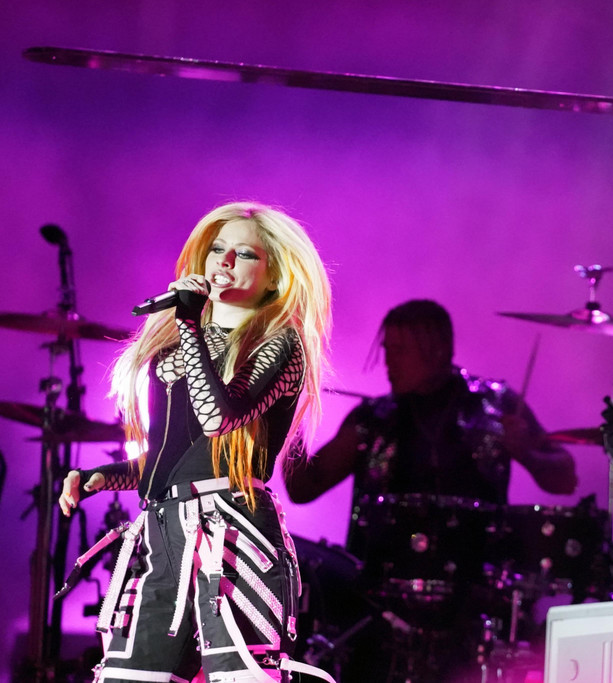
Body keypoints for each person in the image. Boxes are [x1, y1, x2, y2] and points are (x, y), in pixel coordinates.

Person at [58, 202, 335, 682]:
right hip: (163, 530)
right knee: (130, 675)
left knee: (238, 673)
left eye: (244, 254)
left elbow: (219, 420)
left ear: (273, 276)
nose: (223, 261)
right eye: (217, 249)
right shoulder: (178, 343)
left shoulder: (281, 344)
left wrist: (188, 325)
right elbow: (175, 458)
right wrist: (101, 477)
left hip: (233, 532)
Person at [284, 298, 579, 682]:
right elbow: (303, 488)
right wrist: (289, 419)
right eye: (388, 349)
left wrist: (526, 451)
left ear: (439, 349)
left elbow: (565, 478)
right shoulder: (374, 418)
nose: (389, 362)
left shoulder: (493, 405)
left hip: (473, 602)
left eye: (401, 350)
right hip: (379, 608)